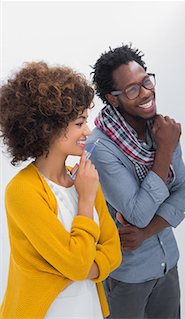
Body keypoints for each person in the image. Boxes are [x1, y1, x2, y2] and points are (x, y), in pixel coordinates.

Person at [0, 62, 122, 318]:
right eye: (79, 123)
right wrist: (86, 200)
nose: (88, 132)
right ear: (49, 128)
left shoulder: (83, 177)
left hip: (89, 310)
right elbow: (78, 265)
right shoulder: (22, 191)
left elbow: (114, 250)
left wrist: (76, 266)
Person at [89, 44, 185, 318]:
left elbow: (183, 192)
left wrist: (145, 233)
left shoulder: (161, 128)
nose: (146, 92)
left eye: (146, 81)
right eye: (133, 89)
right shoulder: (99, 147)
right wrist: (165, 151)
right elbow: (137, 212)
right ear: (113, 99)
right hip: (128, 277)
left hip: (167, 264)